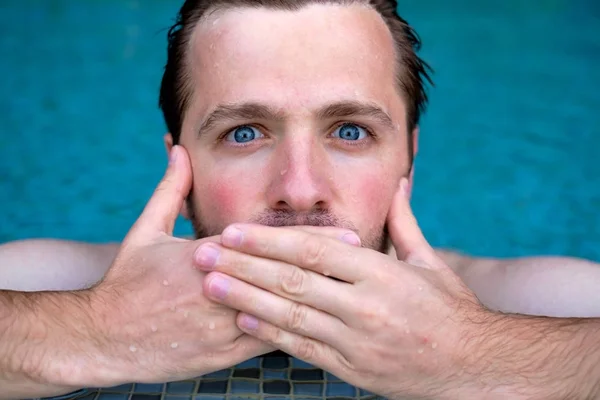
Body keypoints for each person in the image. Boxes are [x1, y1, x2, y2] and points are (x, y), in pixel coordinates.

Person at [1, 0, 599, 399]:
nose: (299, 189)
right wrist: (95, 329)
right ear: (178, 168)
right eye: (244, 133)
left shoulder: (517, 305)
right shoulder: (66, 290)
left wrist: (476, 352)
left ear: (407, 160)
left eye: (349, 132)